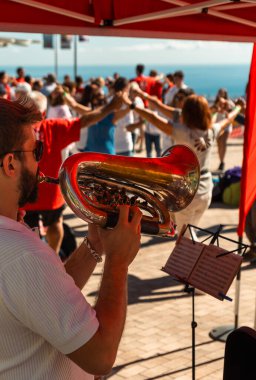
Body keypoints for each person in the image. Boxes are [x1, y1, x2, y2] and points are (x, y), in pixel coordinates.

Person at [0, 97, 142, 380]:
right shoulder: (24, 256)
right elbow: (101, 357)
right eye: (36, 149)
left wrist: (94, 247)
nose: (41, 158)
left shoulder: (19, 253)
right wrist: (117, 261)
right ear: (10, 164)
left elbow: (40, 297)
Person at [123, 92, 243, 240]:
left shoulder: (182, 132)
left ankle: (194, 261)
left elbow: (153, 118)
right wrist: (238, 107)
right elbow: (229, 119)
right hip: (205, 190)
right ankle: (189, 258)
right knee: (187, 233)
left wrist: (133, 105)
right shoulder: (212, 131)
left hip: (186, 193)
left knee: (186, 238)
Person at [24, 90, 123, 255]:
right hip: (45, 194)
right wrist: (110, 107)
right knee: (53, 225)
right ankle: (52, 257)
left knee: (34, 229)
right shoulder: (52, 127)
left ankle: (45, 258)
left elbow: (84, 120)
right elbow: (85, 121)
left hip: (30, 194)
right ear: (42, 114)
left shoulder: (16, 131)